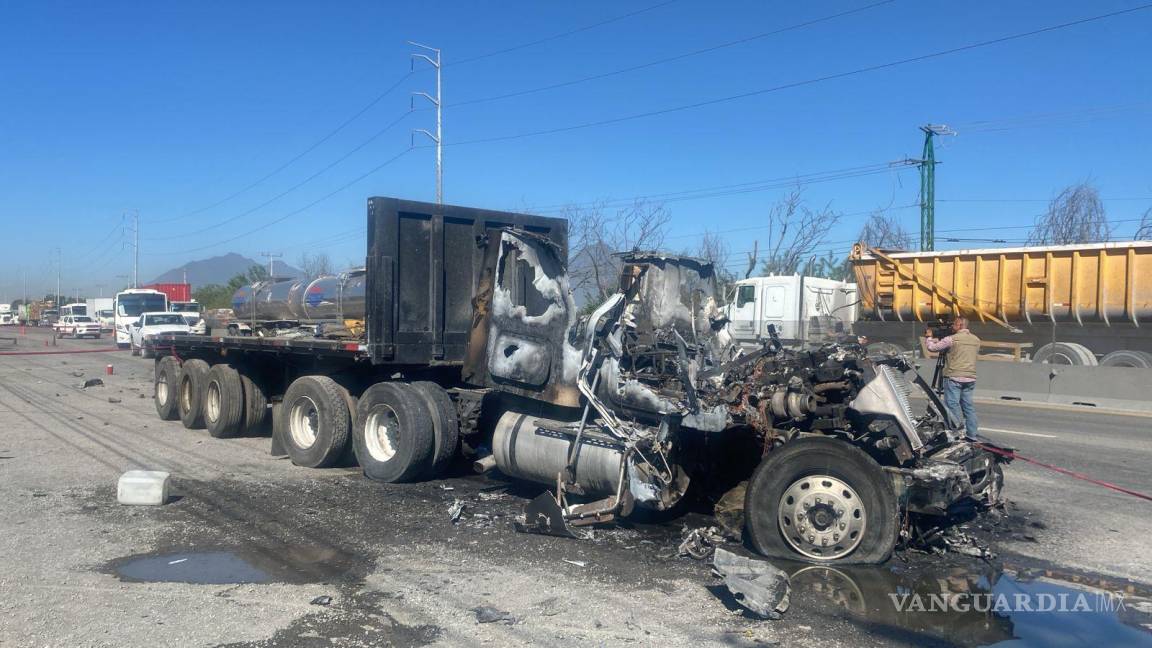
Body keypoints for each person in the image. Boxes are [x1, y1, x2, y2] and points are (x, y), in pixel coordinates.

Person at [925, 317, 981, 438]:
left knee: (952, 405)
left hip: (954, 376)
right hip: (970, 377)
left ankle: (957, 433)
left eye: (954, 324)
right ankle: (972, 435)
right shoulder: (976, 340)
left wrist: (929, 337)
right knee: (968, 407)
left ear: (960, 325)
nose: (952, 327)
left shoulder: (951, 339)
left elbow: (932, 348)